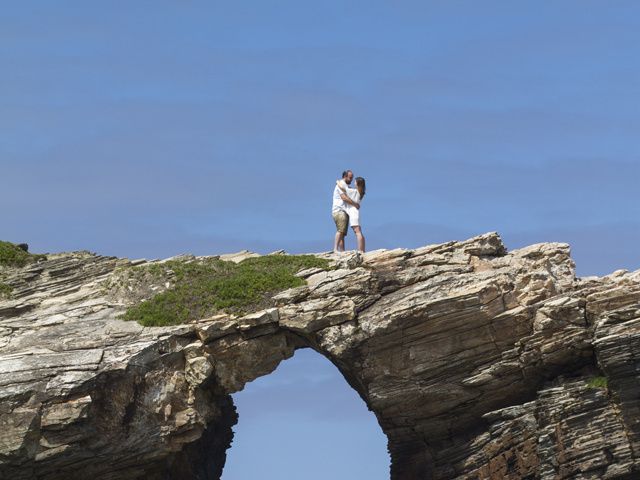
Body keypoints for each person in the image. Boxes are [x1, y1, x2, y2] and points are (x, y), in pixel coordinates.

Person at [332, 170, 360, 252]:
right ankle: (335, 249)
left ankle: (342, 251)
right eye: (350, 177)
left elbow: (351, 192)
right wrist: (355, 204)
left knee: (342, 233)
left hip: (342, 211)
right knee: (340, 231)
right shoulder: (341, 184)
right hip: (339, 210)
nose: (351, 179)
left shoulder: (344, 186)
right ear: (345, 176)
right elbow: (344, 197)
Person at [336, 176, 366, 252]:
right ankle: (362, 249)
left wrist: (337, 182)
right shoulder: (360, 192)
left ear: (358, 183)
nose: (354, 183)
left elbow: (343, 189)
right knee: (359, 232)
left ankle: (360, 250)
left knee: (357, 232)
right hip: (355, 212)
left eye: (355, 181)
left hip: (353, 213)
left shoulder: (354, 191)